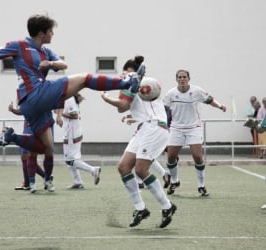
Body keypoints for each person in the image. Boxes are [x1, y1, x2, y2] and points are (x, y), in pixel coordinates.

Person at [0, 14, 144, 191]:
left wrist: (50, 64)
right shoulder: (19, 45)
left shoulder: (46, 52)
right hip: (36, 94)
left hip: (31, 105)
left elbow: (63, 64)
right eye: (51, 31)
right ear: (41, 33)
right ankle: (127, 81)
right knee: (84, 78)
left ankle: (13, 139)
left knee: (46, 148)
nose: (53, 35)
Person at [101, 56, 176, 228]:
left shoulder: (138, 84)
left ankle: (167, 206)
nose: (124, 74)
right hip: (145, 128)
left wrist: (106, 98)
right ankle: (140, 208)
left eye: (127, 71)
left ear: (135, 72)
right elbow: (137, 107)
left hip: (155, 129)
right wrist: (133, 116)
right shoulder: (137, 84)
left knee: (141, 169)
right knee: (123, 167)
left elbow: (121, 105)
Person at [163, 69, 226, 196]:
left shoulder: (197, 91)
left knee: (197, 157)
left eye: (184, 77)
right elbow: (162, 109)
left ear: (188, 79)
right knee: (170, 158)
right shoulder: (170, 93)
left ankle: (201, 186)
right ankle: (174, 181)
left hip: (194, 128)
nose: (182, 79)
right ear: (176, 79)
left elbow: (210, 100)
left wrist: (219, 106)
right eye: (180, 77)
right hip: (176, 128)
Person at [58, 93, 101, 189]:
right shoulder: (69, 98)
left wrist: (61, 114)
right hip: (73, 133)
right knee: (72, 159)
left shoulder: (69, 99)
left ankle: (93, 170)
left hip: (71, 135)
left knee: (70, 160)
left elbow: (74, 115)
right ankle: (78, 181)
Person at [7, 101, 46, 192]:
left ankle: (34, 181)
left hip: (32, 128)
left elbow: (24, 111)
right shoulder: (28, 95)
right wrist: (13, 110)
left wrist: (13, 110)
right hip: (28, 126)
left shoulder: (34, 96)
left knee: (29, 156)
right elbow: (23, 111)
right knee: (25, 156)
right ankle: (30, 182)